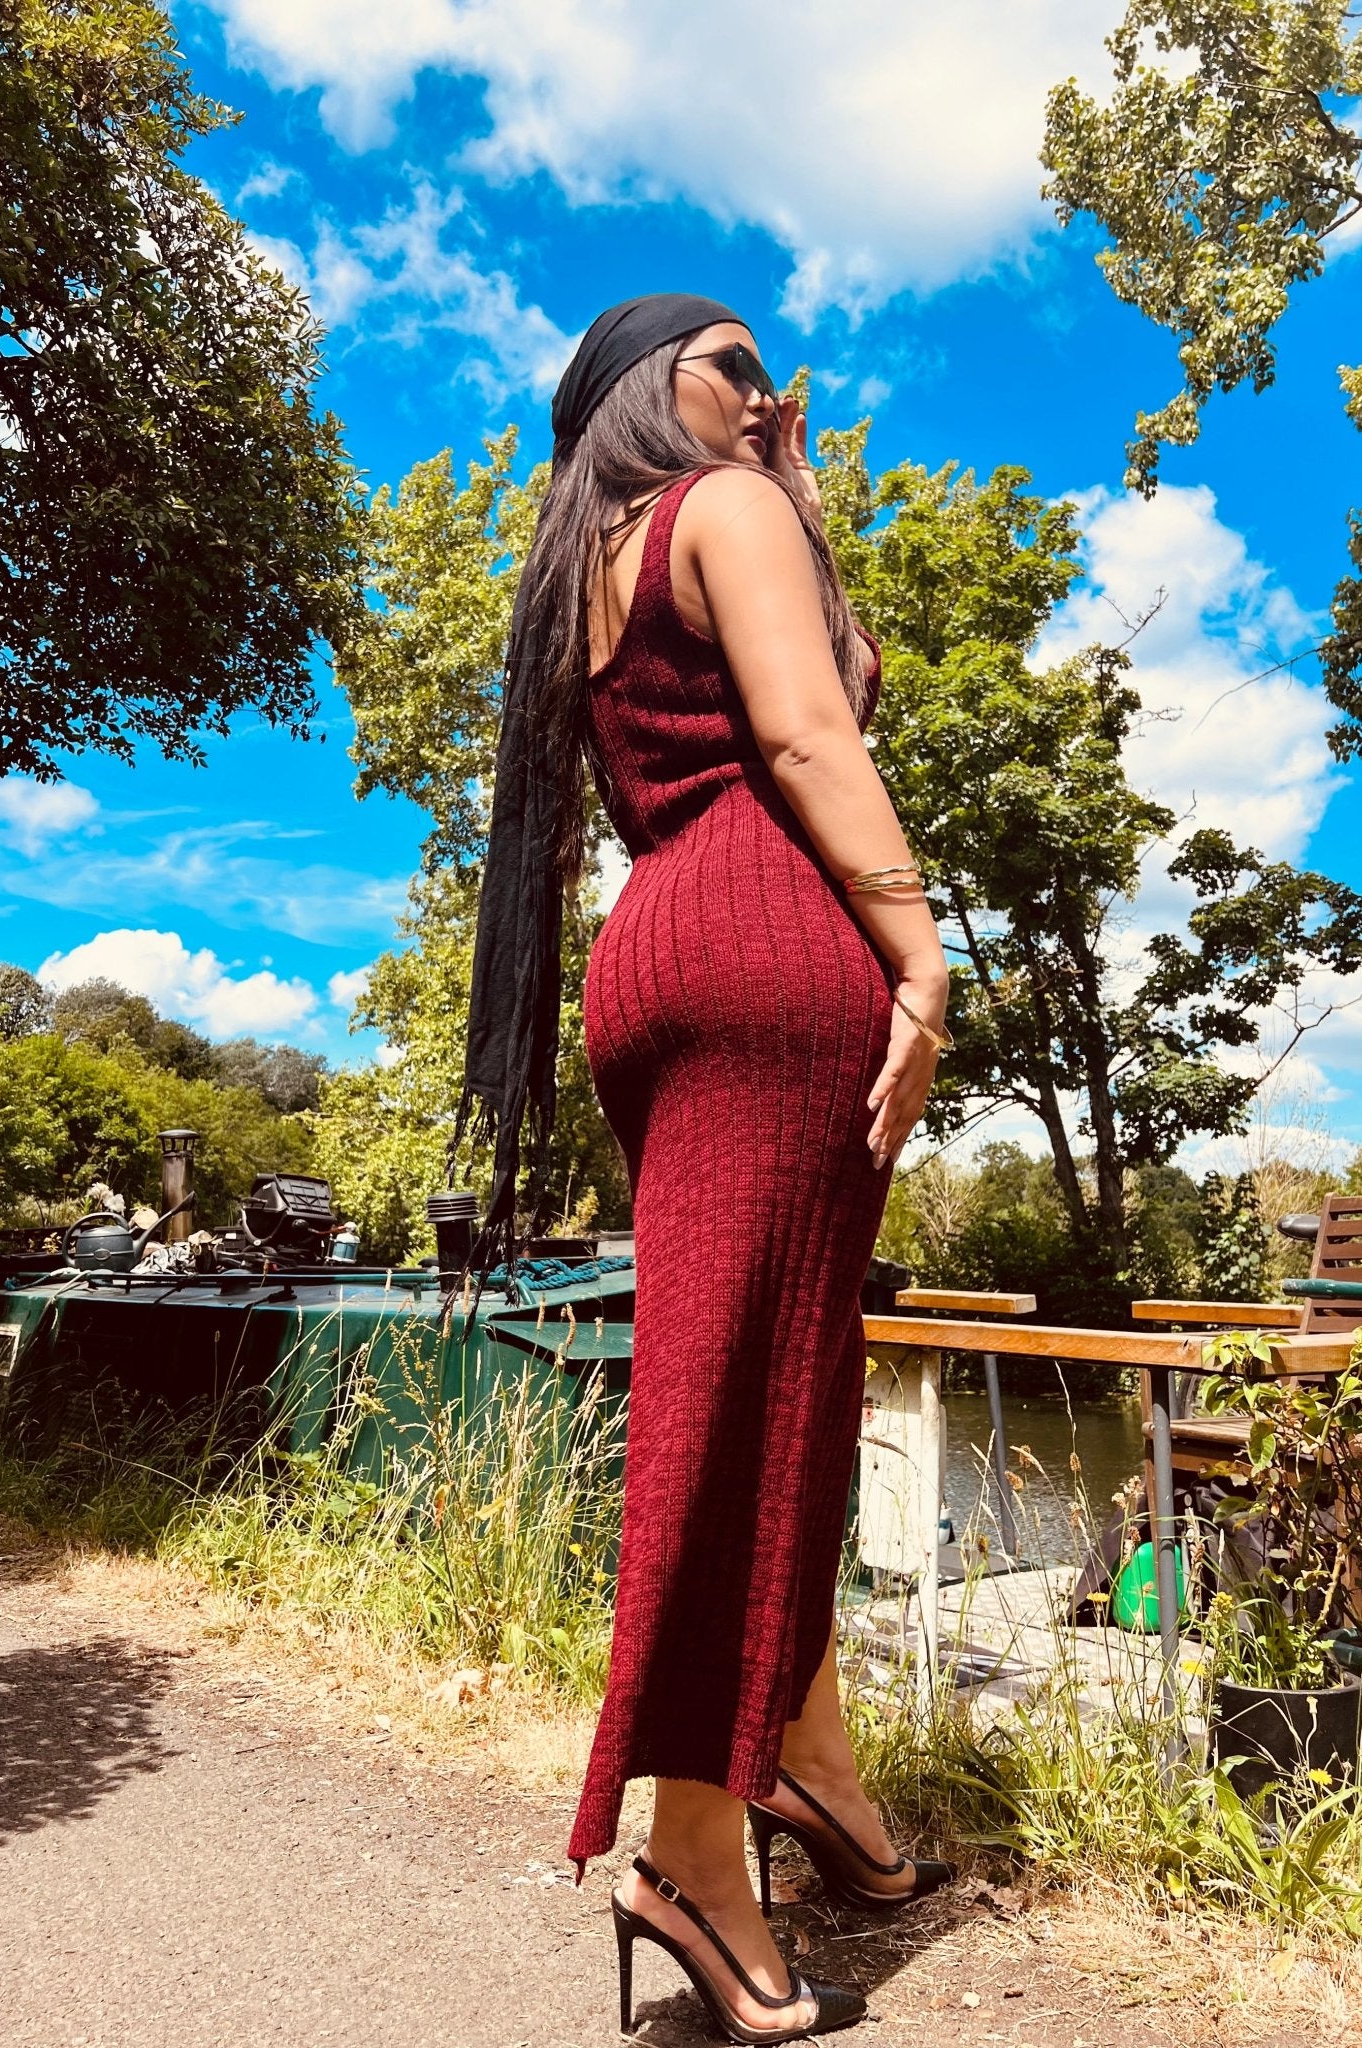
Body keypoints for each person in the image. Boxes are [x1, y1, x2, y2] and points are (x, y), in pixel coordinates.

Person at [452, 294, 954, 2042]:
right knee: (743, 1399)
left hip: (666, 948)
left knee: (781, 1379)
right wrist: (922, 954)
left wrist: (793, 482)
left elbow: (817, 672)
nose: (768, 389)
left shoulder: (599, 562)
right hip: (763, 944)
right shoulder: (712, 509)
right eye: (736, 365)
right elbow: (815, 736)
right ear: (643, 392)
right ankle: (685, 1851)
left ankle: (809, 1763)